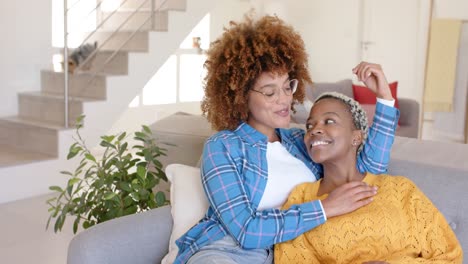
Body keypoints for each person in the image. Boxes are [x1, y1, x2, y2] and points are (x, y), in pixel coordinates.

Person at [174, 14, 400, 264]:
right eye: (270, 92)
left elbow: (366, 172)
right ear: (240, 96)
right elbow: (246, 231)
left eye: (287, 86)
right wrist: (326, 207)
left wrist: (384, 98)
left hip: (293, 254)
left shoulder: (300, 142)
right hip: (228, 251)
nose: (284, 99)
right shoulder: (223, 147)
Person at [274, 92, 463, 263]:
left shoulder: (400, 189)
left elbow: (450, 256)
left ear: (356, 137)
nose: (314, 130)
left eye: (329, 121)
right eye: (309, 125)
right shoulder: (301, 198)